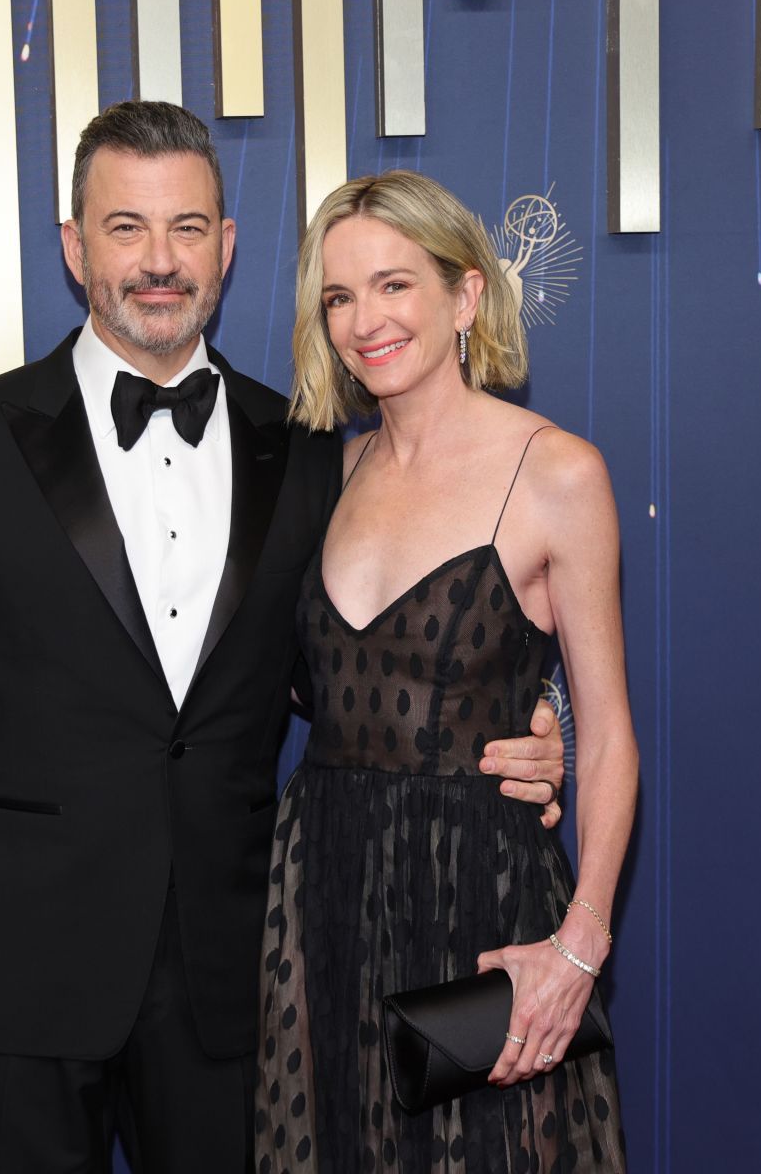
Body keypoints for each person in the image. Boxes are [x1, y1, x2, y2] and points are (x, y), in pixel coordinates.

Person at [0, 102, 568, 1173]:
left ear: (226, 249)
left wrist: (521, 720)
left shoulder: (312, 448)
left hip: (242, 968)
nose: (157, 261)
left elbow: (358, 657)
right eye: (125, 227)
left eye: (187, 228)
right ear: (72, 244)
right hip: (17, 970)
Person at [255, 170, 636, 1171]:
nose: (363, 319)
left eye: (393, 285)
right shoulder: (321, 477)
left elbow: (607, 731)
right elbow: (313, 679)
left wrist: (579, 945)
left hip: (482, 895)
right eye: (337, 296)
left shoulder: (558, 472)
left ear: (465, 295)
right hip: (327, 889)